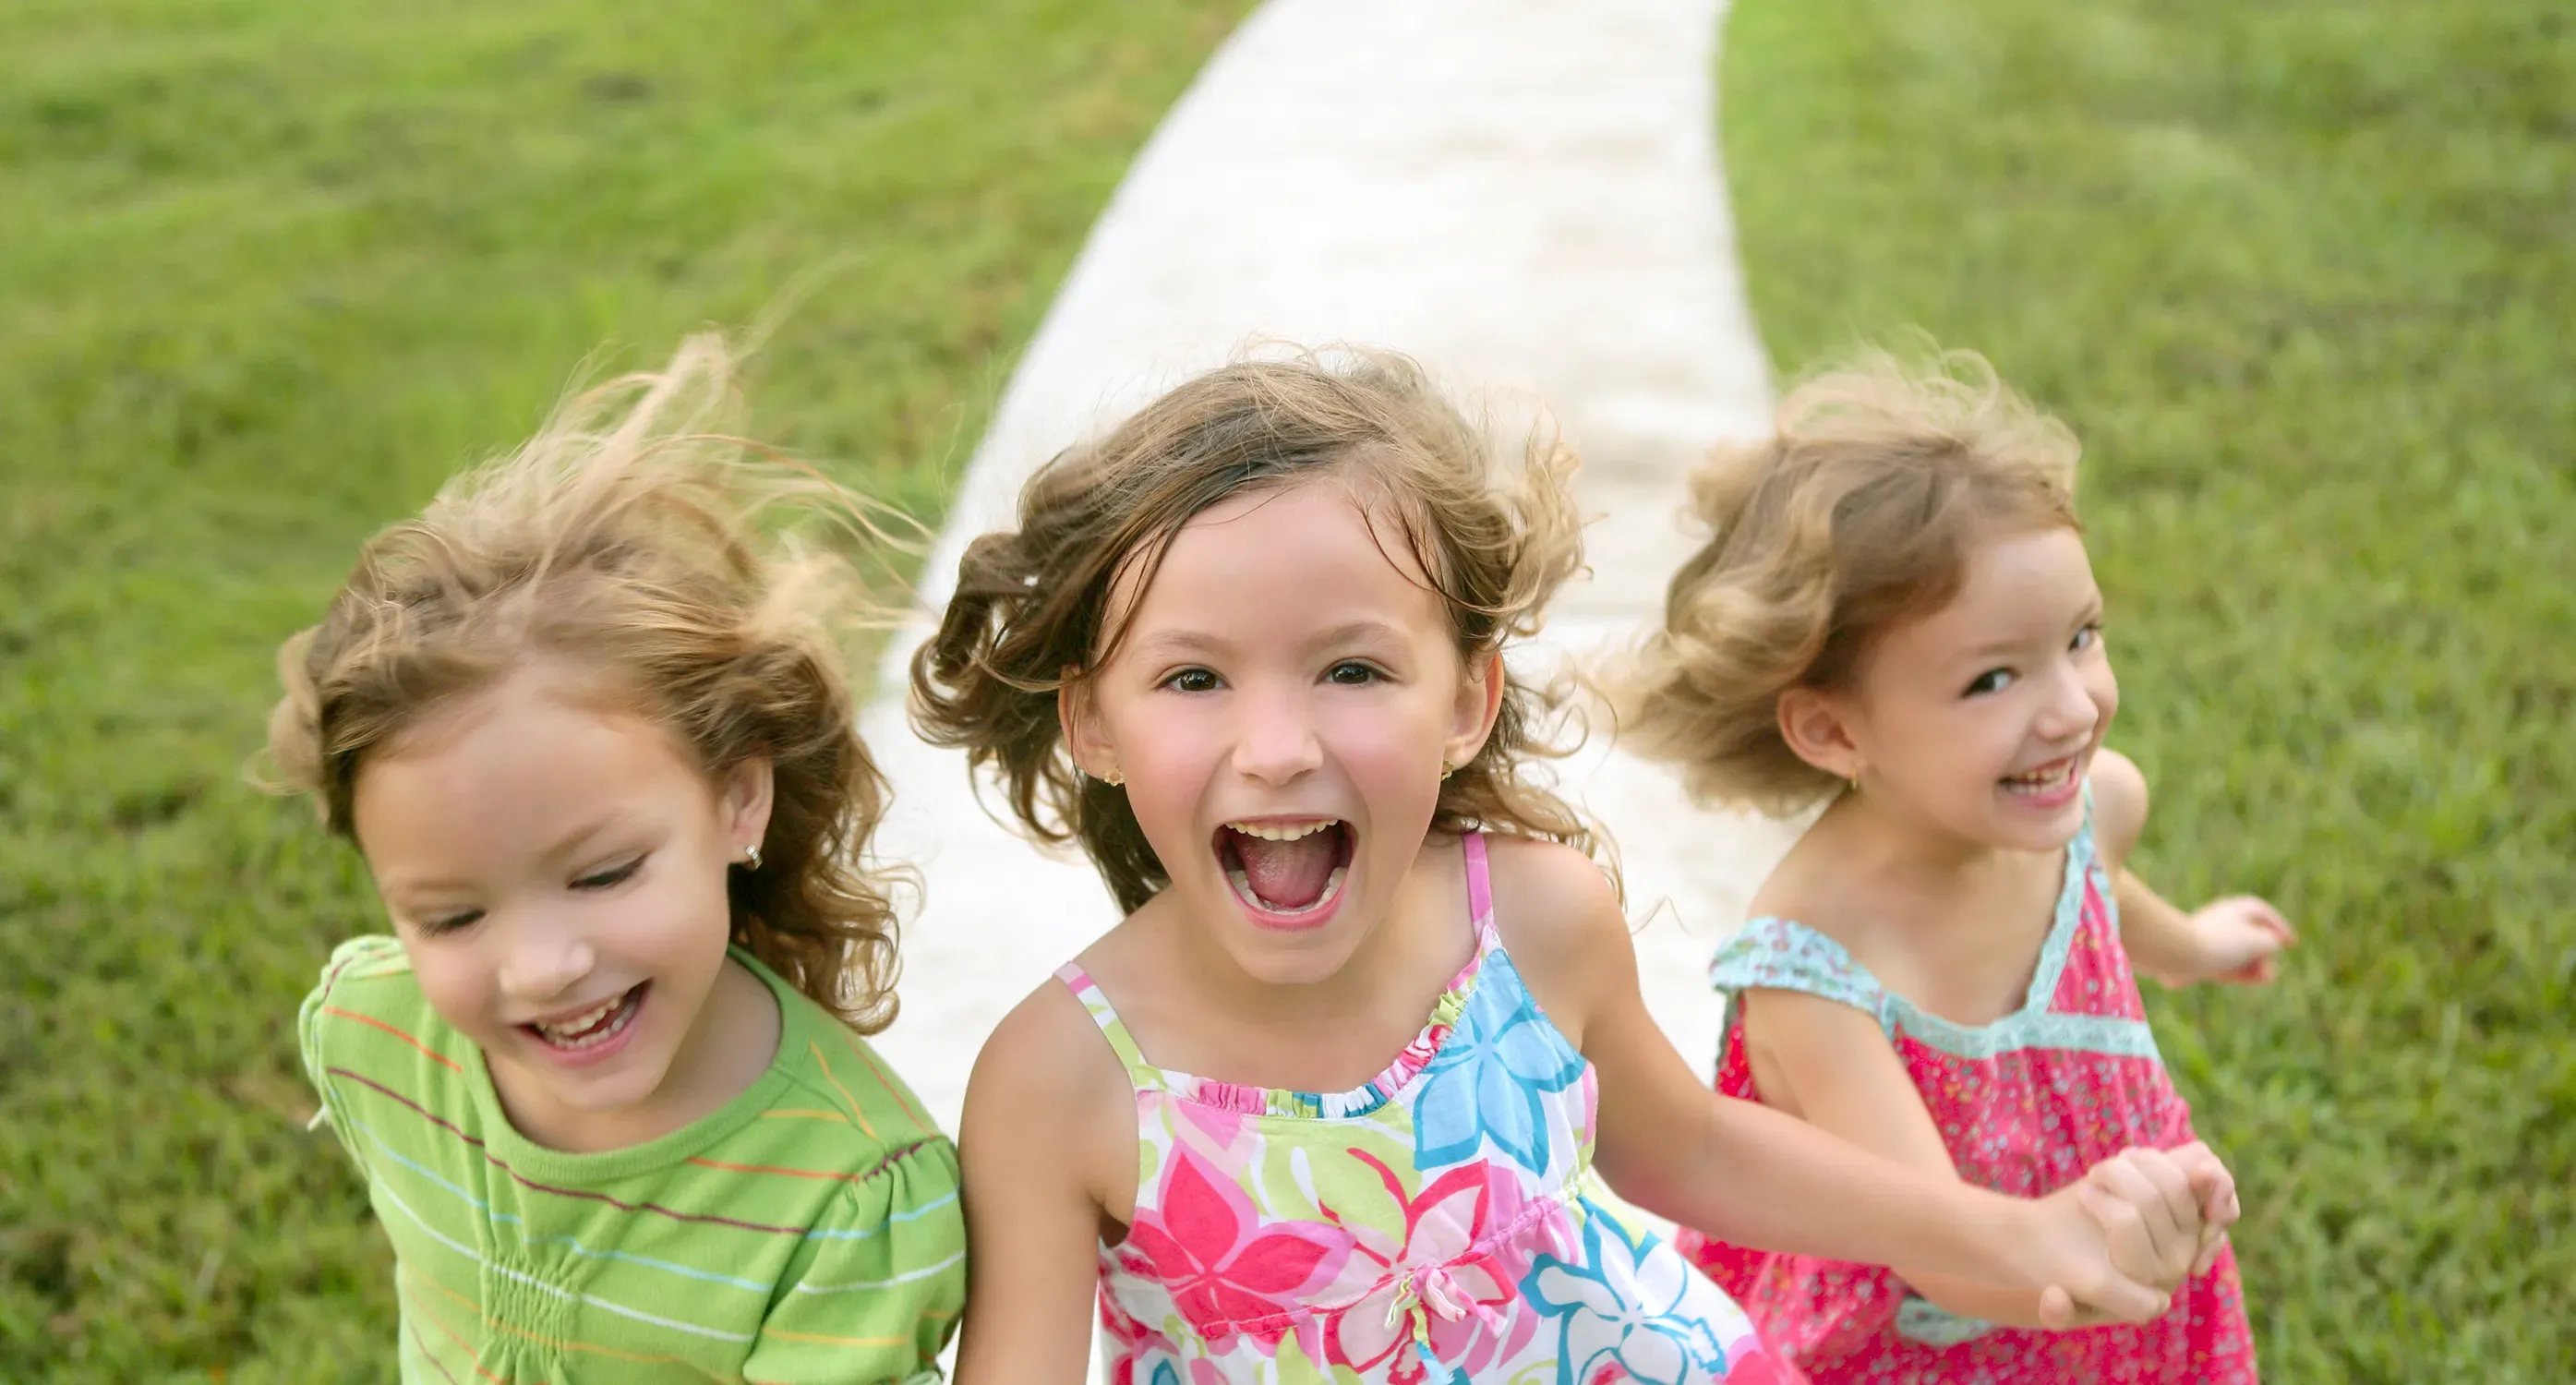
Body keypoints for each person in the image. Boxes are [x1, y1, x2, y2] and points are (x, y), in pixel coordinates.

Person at [910, 347, 2236, 1383]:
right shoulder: (1059, 1083)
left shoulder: (1530, 920)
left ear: (1466, 700)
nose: (1276, 748)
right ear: (1092, 723)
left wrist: (2022, 1233)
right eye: (1193, 678)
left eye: (1353, 669)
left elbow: (1690, 1150)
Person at [272, 337, 965, 1382]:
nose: (540, 967)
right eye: (452, 917)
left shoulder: (849, 1198)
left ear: (738, 797)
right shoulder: (375, 1039)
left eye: (601, 875)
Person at [1617, 346, 2282, 1380]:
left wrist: (2194, 947)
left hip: (2120, 1286)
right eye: (1993, 681)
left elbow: (2105, 898)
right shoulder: (1813, 969)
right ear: (1834, 730)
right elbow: (1945, 1261)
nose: (2072, 707)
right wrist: (2119, 1250)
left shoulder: (2093, 809)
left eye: (2082, 638)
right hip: (1935, 1341)